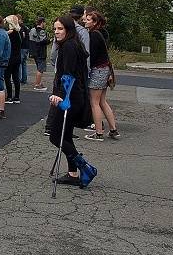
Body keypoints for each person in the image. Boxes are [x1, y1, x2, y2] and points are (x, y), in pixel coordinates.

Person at [47, 15, 97, 187]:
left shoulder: (68, 47)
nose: (56, 32)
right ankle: (73, 173)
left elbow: (68, 74)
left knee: (55, 135)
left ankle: (85, 167)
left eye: (60, 28)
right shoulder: (74, 44)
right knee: (65, 135)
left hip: (69, 97)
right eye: (55, 29)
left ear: (68, 29)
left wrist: (60, 95)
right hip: (76, 96)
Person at [83, 10, 120, 141]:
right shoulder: (101, 34)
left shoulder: (93, 35)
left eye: (88, 20)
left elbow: (91, 56)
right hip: (105, 70)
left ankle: (98, 132)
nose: (85, 21)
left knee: (94, 103)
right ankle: (113, 129)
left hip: (97, 71)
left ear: (95, 22)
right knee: (102, 101)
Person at [4, 14, 22, 105]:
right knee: (16, 77)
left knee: (7, 77)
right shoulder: (19, 32)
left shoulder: (10, 33)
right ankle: (17, 96)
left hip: (10, 57)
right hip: (17, 57)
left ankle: (9, 96)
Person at [29, 17, 50, 91]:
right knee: (40, 69)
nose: (45, 24)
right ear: (42, 23)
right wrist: (49, 40)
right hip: (41, 52)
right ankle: (37, 85)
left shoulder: (32, 30)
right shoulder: (42, 31)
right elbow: (43, 40)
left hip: (34, 51)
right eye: (44, 23)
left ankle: (39, 83)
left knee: (38, 67)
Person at [18, 14, 30, 84]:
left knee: (20, 63)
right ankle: (24, 79)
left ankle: (18, 78)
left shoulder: (21, 27)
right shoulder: (26, 27)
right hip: (26, 47)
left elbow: (22, 37)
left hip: (22, 47)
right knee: (24, 63)